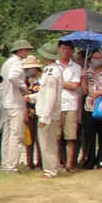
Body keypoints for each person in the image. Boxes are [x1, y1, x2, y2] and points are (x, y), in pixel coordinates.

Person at [0, 39, 33, 172]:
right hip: (15, 102)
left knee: (7, 134)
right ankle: (11, 165)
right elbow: (13, 77)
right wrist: (24, 88)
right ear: (19, 51)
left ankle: (5, 163)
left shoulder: (7, 63)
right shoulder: (17, 63)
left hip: (6, 101)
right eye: (25, 50)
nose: (27, 52)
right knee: (16, 134)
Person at [33, 44, 63, 179]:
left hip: (49, 114)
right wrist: (33, 97)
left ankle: (50, 170)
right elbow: (44, 93)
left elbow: (50, 95)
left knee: (47, 143)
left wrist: (45, 117)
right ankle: (51, 168)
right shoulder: (50, 70)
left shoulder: (51, 72)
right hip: (48, 112)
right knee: (47, 142)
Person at [81, 48, 102, 168]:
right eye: (94, 58)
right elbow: (84, 91)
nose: (96, 60)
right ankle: (89, 159)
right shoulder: (87, 73)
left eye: (99, 58)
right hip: (89, 107)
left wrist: (100, 92)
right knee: (89, 135)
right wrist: (83, 78)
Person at [56, 41, 83, 172]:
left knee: (70, 136)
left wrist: (59, 82)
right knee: (56, 136)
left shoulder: (76, 68)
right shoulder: (52, 66)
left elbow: (74, 86)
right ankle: (57, 162)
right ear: (59, 49)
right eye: (63, 48)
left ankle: (69, 164)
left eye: (68, 49)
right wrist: (65, 83)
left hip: (71, 104)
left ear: (72, 51)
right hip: (56, 104)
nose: (65, 51)